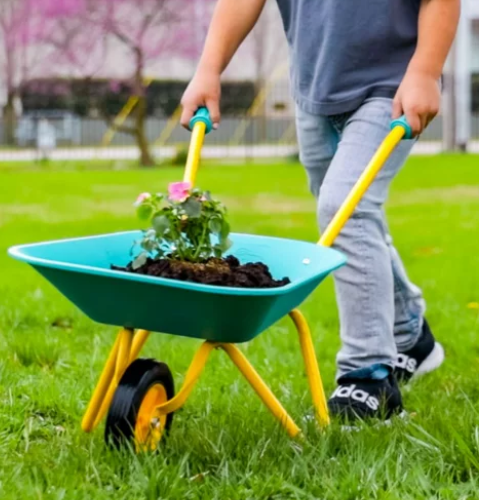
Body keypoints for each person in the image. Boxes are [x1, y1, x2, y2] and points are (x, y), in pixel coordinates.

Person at [180, 0, 459, 420]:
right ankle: (409, 333)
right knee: (348, 214)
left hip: (392, 88)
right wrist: (208, 69)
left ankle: (368, 379)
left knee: (345, 209)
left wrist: (424, 72)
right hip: (316, 92)